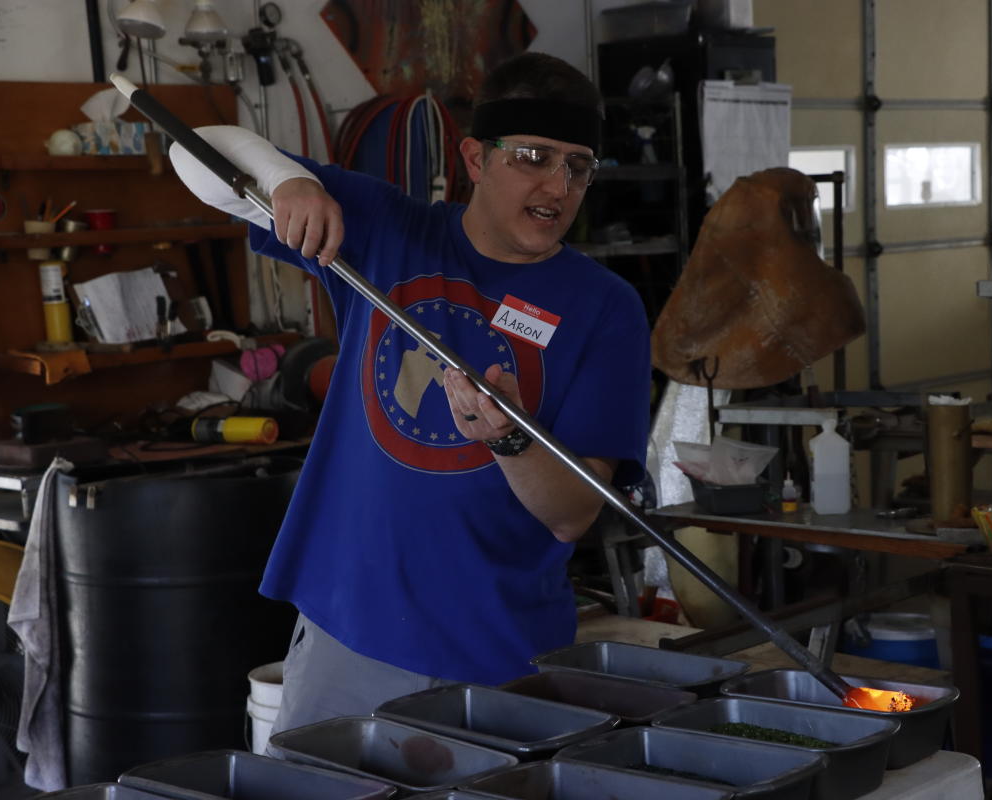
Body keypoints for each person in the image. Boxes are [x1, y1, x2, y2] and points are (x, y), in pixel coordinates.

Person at [169, 52, 651, 734]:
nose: (558, 185)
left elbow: (575, 514)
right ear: (476, 159)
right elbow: (193, 148)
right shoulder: (385, 230)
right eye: (535, 156)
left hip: (503, 652)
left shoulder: (606, 308)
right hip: (349, 630)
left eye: (578, 166)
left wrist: (508, 438)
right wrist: (289, 181)